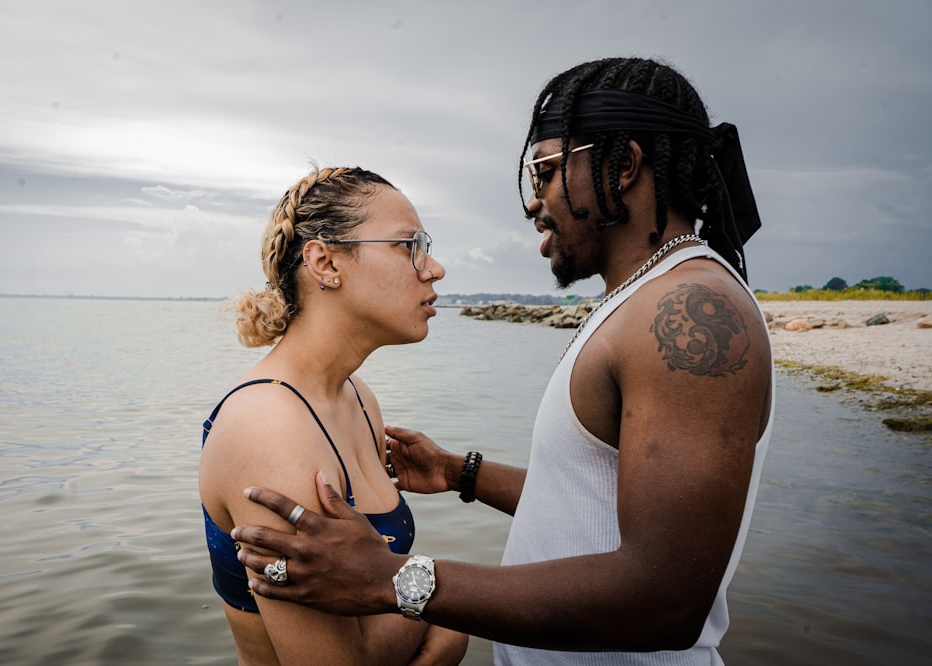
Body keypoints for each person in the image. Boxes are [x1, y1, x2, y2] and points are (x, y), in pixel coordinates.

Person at [230, 57, 773, 665]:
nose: (532, 202)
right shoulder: (638, 303)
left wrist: (394, 579)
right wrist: (460, 473)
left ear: (622, 166)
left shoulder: (687, 310)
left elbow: (665, 600)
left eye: (544, 171)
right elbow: (596, 500)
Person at [198, 165, 468, 665]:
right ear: (325, 262)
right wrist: (444, 620)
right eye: (408, 245)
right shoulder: (269, 427)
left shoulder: (357, 398)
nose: (434, 268)